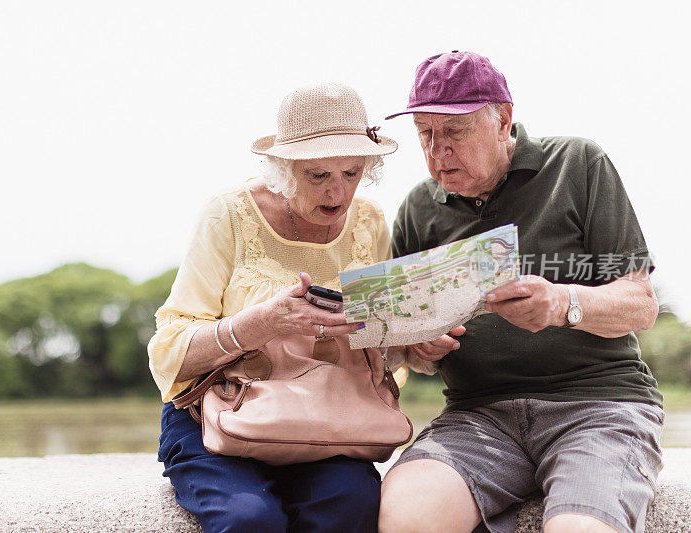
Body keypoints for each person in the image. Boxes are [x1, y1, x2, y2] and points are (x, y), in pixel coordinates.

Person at [378, 51, 662, 533]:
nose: (437, 152)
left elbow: (641, 304)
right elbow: (409, 357)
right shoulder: (417, 210)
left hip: (599, 407)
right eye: (424, 134)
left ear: (503, 120)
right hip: (477, 417)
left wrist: (562, 304)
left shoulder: (578, 163)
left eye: (454, 132)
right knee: (406, 517)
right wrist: (418, 349)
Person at [147, 82, 401, 532]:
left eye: (352, 172)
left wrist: (415, 338)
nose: (338, 193)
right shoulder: (228, 214)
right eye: (319, 175)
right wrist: (262, 322)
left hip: (330, 417)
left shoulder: (370, 221)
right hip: (219, 411)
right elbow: (168, 353)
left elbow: (379, 351)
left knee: (354, 504)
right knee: (249, 519)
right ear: (283, 169)